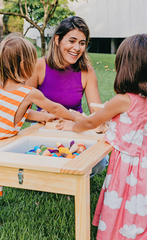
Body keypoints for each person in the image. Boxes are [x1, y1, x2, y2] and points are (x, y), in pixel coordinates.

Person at [57, 34, 147, 240]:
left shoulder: (122, 100)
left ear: (128, 67)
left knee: (133, 232)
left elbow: (91, 122)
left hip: (131, 172)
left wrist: (72, 125)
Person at [0, 34, 82, 231]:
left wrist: (42, 117)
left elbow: (17, 112)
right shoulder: (29, 93)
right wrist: (77, 117)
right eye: (32, 61)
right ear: (23, 65)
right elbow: (56, 109)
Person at [26, 16, 109, 177]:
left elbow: (96, 116)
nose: (77, 48)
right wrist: (43, 117)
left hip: (75, 129)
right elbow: (21, 112)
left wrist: (102, 112)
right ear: (57, 40)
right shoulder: (39, 66)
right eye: (71, 41)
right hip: (44, 130)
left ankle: (68, 175)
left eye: (82, 43)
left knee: (100, 162)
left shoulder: (87, 71)